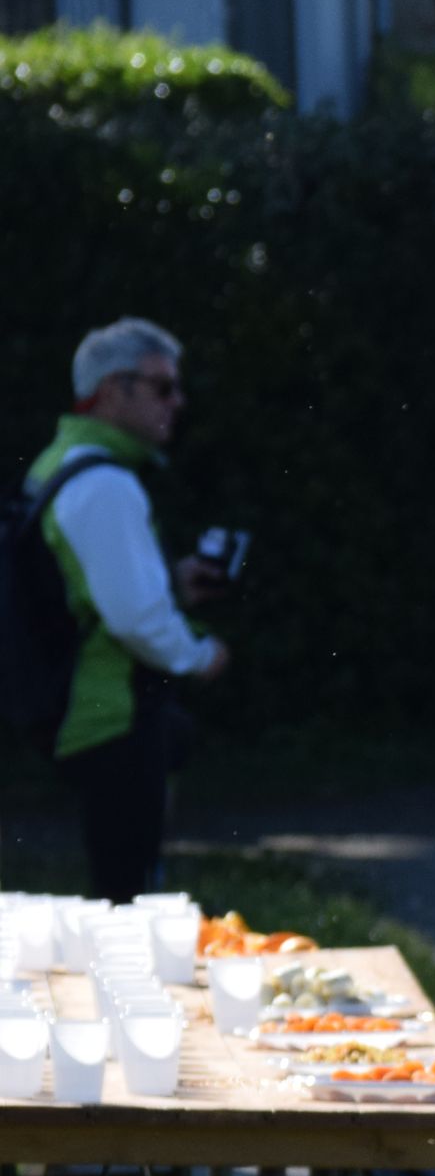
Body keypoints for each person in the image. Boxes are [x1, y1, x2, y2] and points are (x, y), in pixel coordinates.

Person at [23, 319, 229, 902]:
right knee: (126, 906)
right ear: (115, 389)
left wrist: (171, 584)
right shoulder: (106, 485)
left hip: (80, 708)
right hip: (112, 714)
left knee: (116, 898)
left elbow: (84, 587)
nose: (177, 402)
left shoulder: (60, 463)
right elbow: (133, 619)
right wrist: (200, 655)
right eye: (163, 387)